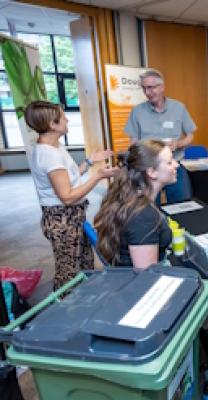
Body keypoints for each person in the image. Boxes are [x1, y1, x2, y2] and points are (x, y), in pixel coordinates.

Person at [25, 101, 118, 288]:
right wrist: (97, 177)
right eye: (63, 116)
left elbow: (71, 175)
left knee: (85, 262)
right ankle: (64, 309)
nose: (67, 118)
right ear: (52, 124)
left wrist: (90, 161)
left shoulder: (55, 146)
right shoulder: (49, 155)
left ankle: (85, 299)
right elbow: (67, 196)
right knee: (67, 272)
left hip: (73, 216)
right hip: (62, 219)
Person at [95, 140, 178, 268]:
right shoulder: (144, 216)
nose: (176, 164)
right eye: (169, 162)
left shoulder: (130, 196)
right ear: (151, 172)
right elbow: (146, 276)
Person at [125, 69, 196, 204]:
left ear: (162, 87)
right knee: (147, 207)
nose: (147, 93)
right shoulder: (137, 112)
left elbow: (190, 136)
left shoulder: (179, 108)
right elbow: (132, 143)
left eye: (151, 88)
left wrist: (178, 144)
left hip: (174, 166)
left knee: (181, 205)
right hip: (148, 170)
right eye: (144, 88)